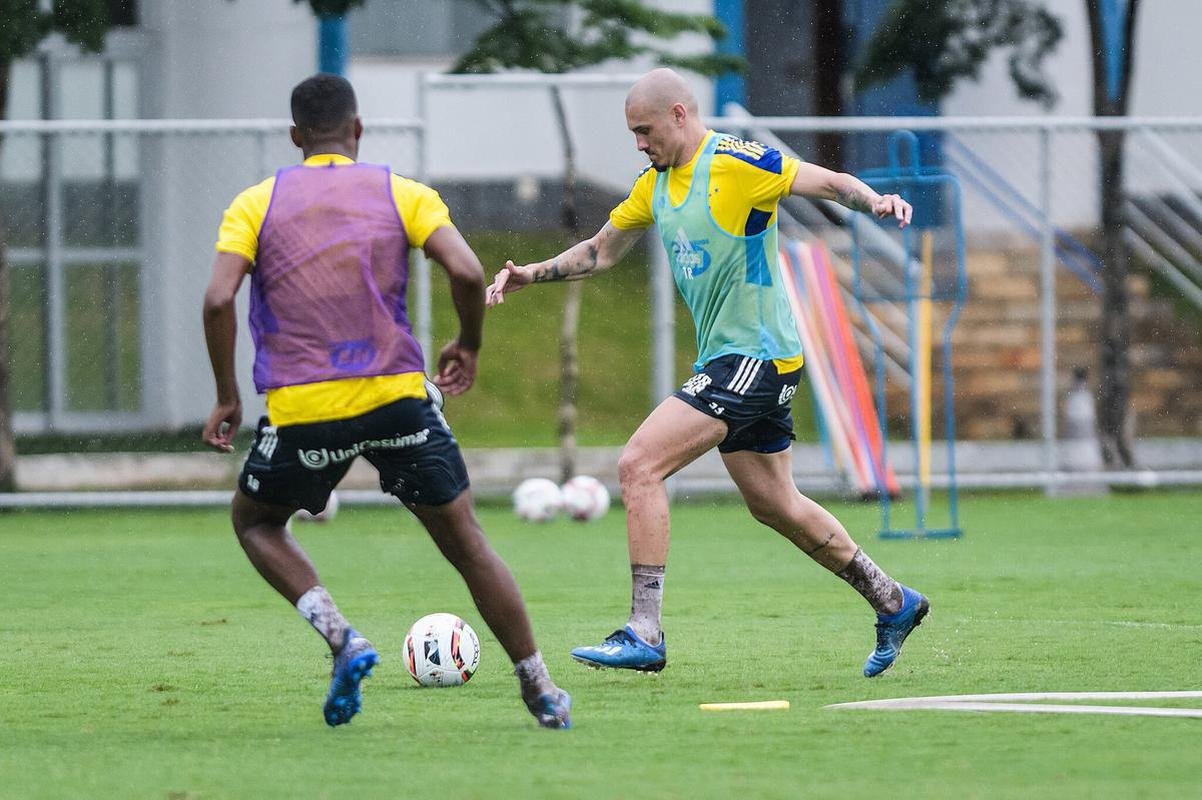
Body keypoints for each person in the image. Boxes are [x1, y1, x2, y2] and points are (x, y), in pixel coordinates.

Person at [486, 68, 926, 678]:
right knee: (775, 504)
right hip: (741, 359)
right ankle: (892, 600)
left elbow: (821, 181)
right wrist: (531, 272)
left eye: (644, 131)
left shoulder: (736, 161)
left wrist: (873, 200)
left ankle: (644, 630)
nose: (639, 143)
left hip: (756, 356)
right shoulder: (655, 184)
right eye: (632, 134)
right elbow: (601, 250)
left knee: (639, 464)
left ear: (678, 115)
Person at [201, 73, 571, 728]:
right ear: (358, 130)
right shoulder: (402, 192)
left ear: (295, 138)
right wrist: (468, 343)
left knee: (256, 522)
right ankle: (538, 686)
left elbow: (217, 299)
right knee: (467, 544)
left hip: (304, 409)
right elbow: (463, 270)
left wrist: (228, 395)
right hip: (398, 400)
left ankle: (343, 638)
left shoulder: (254, 203)